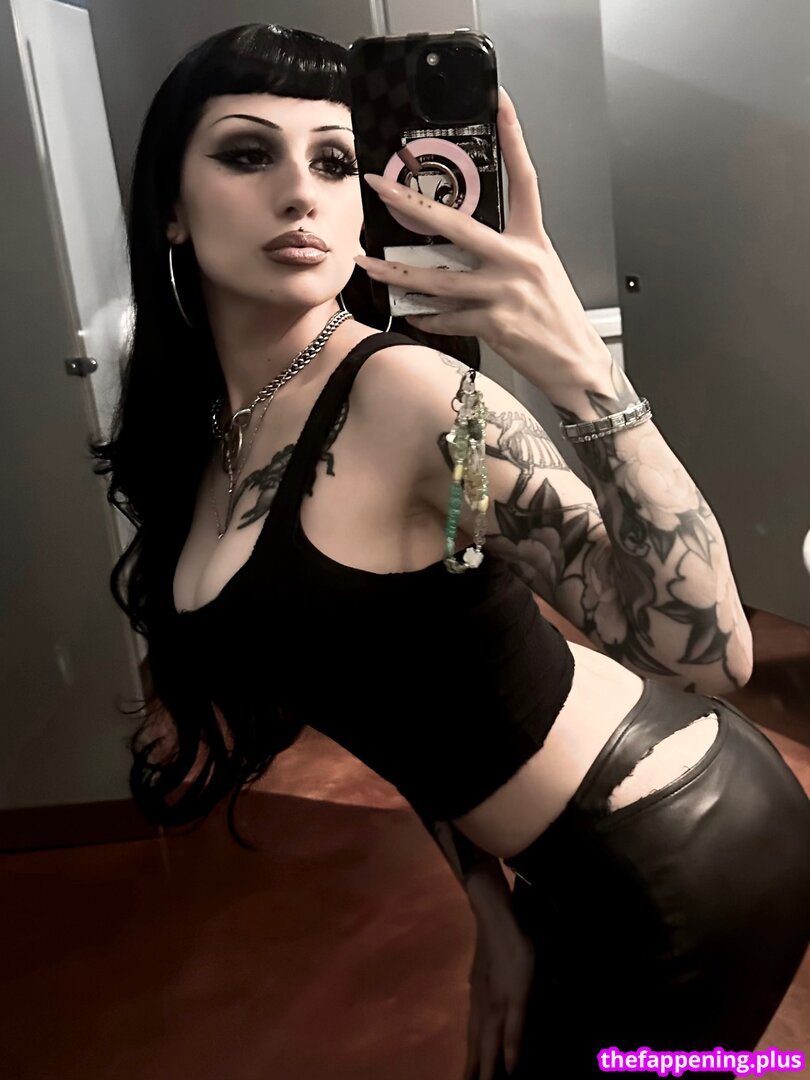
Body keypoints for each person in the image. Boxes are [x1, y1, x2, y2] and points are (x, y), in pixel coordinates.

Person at [91, 23, 810, 1080]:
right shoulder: (208, 437)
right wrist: (488, 904)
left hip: (688, 845)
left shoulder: (414, 395)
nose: (300, 194)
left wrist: (582, 369)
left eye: (334, 161)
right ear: (170, 205)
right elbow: (395, 683)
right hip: (560, 865)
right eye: (248, 154)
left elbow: (709, 655)